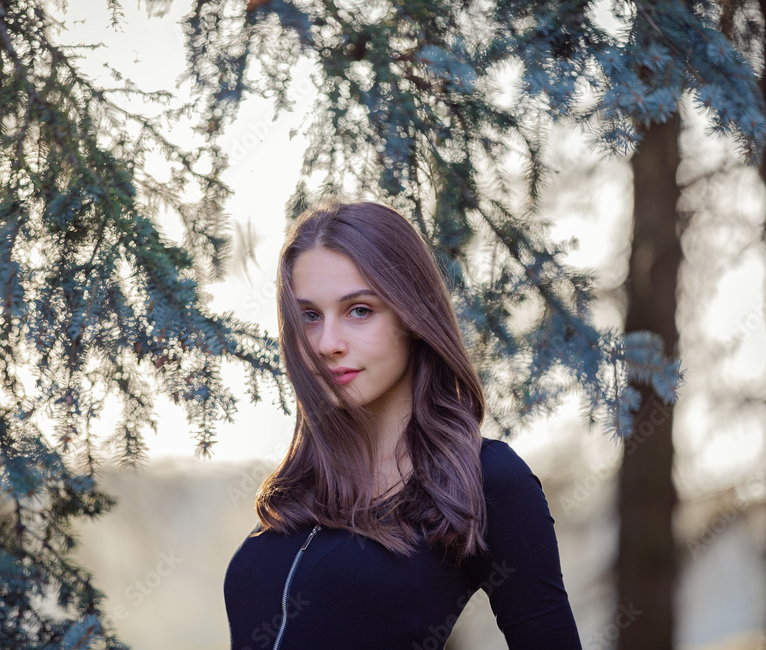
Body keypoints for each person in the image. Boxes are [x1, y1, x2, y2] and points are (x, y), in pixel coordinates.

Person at [223, 201, 582, 649]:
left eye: (359, 310)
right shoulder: (298, 489)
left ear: (412, 317)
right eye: (309, 316)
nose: (327, 344)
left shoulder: (485, 480)